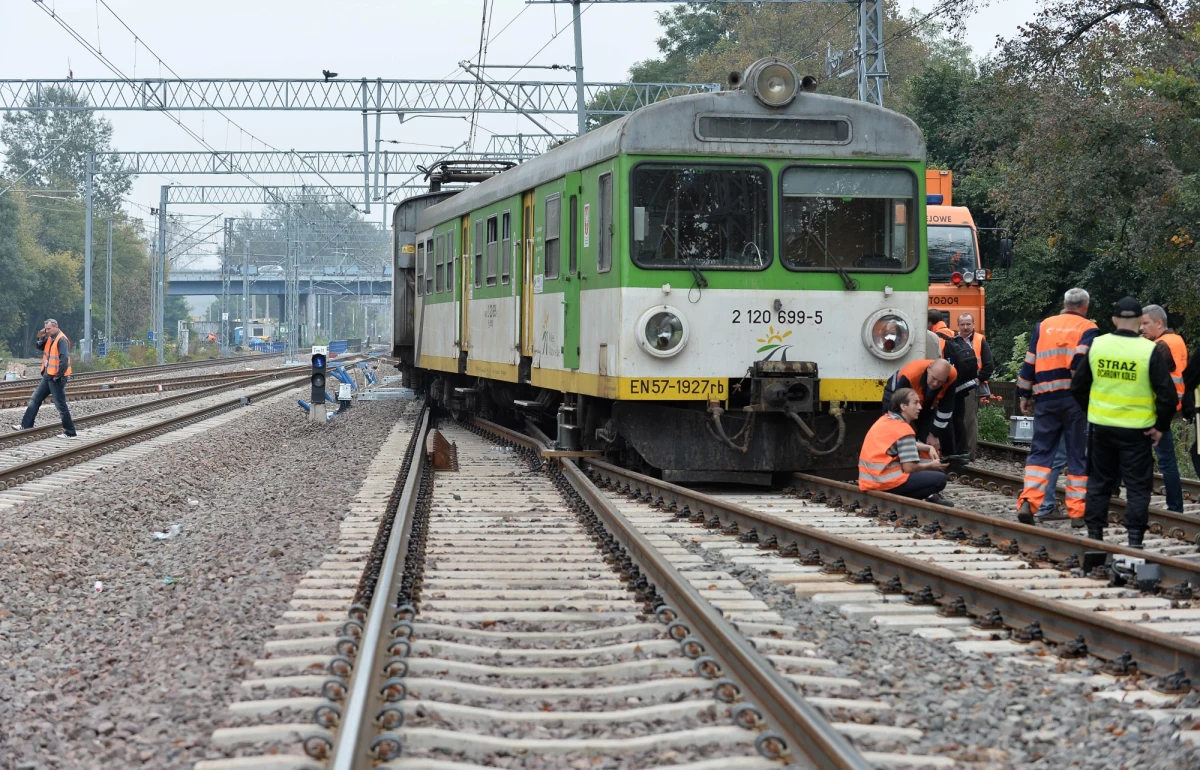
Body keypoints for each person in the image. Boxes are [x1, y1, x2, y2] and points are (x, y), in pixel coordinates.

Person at [1071, 297, 1178, 547]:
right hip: (1138, 432)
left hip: (1102, 428)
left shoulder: (1097, 345)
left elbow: (1077, 387)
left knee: (1099, 483)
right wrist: (1160, 426)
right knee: (1138, 487)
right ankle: (1134, 540)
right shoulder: (1148, 350)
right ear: (1141, 320)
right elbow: (1168, 396)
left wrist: (1093, 411)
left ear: (1114, 320)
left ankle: (1095, 537)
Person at [1014, 288, 1099, 526]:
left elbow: (1030, 360)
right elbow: (1080, 361)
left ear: (1064, 303)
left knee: (1041, 452)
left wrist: (1023, 393)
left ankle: (1029, 502)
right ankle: (1077, 512)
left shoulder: (1044, 326)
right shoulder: (1089, 329)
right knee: (1076, 456)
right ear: (1085, 306)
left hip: (1046, 400)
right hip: (1074, 402)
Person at [859, 387, 951, 502]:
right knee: (940, 478)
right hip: (884, 482)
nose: (920, 407)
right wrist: (931, 466)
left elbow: (902, 443)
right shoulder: (904, 429)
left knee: (926, 459)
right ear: (903, 406)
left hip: (870, 479)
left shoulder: (886, 420)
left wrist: (928, 447)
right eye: (915, 403)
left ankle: (928, 496)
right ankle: (910, 498)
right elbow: (909, 468)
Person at [1139, 305, 1187, 512]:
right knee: (1163, 459)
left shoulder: (1160, 346)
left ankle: (1174, 508)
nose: (1141, 328)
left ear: (1159, 323)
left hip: (1159, 410)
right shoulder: (1176, 340)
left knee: (1162, 460)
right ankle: (1174, 506)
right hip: (1174, 406)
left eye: (1146, 323)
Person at [14, 319, 77, 438]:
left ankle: (70, 432)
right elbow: (39, 347)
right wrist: (41, 336)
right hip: (48, 376)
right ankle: (25, 425)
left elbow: (64, 360)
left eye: (48, 329)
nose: (47, 331)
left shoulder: (61, 339)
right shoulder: (49, 338)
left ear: (56, 327)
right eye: (46, 329)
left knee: (60, 405)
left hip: (56, 378)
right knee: (35, 399)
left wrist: (58, 376)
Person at [881, 358, 957, 452]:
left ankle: (946, 459)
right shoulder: (910, 375)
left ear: (946, 378)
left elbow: (946, 409)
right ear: (928, 368)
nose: (935, 384)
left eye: (940, 381)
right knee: (893, 424)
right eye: (933, 378)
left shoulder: (952, 375)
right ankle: (891, 452)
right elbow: (894, 409)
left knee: (931, 429)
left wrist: (933, 434)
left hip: (925, 396)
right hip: (897, 392)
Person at [957, 312, 994, 459]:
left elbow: (989, 365)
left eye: (968, 324)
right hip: (957, 384)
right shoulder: (954, 340)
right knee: (959, 418)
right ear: (958, 326)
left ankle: (969, 453)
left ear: (973, 325)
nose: (965, 327)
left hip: (971, 386)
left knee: (969, 419)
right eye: (962, 324)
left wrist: (978, 379)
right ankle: (959, 450)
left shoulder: (980, 340)